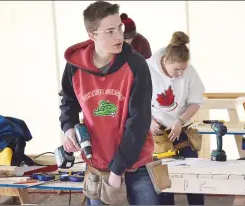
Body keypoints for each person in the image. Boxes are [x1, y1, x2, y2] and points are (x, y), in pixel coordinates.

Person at [59, 1, 159, 205]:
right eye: (110, 31)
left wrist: (118, 167)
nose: (119, 36)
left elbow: (139, 122)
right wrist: (68, 127)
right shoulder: (74, 66)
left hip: (137, 164)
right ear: (92, 35)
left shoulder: (136, 64)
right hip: (99, 166)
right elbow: (68, 100)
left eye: (120, 28)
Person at [147, 31, 205, 205]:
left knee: (193, 177)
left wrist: (179, 121)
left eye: (183, 69)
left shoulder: (189, 71)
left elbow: (195, 102)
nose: (180, 73)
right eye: (176, 70)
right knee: (163, 181)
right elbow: (135, 102)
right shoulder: (146, 68)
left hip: (181, 129)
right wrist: (148, 121)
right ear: (165, 61)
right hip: (157, 132)